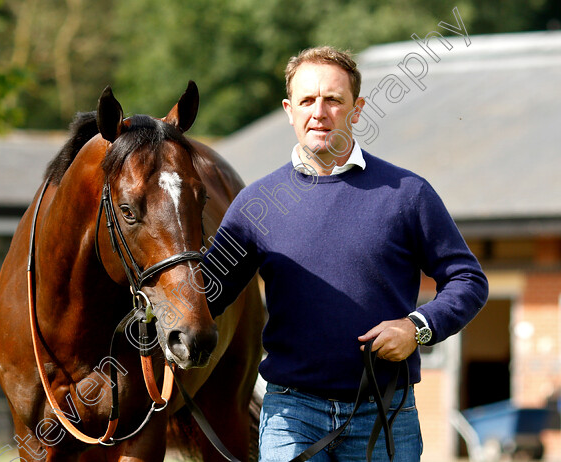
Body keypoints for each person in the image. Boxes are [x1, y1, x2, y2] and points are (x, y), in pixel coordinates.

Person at [201, 46, 489, 461]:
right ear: (289, 110)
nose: (319, 112)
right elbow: (203, 295)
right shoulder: (255, 206)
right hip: (290, 413)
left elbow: (468, 280)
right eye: (307, 100)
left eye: (333, 99)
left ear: (357, 109)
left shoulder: (407, 194)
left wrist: (418, 327)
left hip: (385, 411)